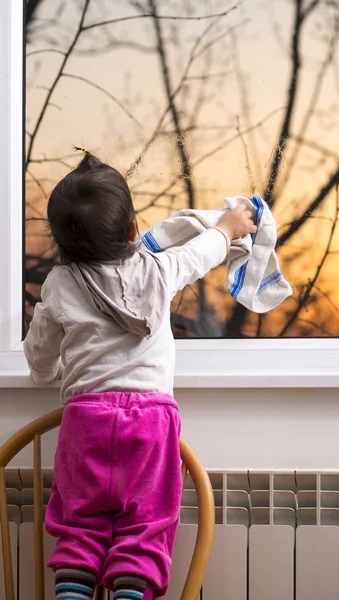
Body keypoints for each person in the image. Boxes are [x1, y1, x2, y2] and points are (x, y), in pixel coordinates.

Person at [24, 150, 257, 600]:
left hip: (86, 422)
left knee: (80, 527)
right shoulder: (158, 270)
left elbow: (39, 363)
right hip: (150, 424)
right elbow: (201, 252)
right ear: (133, 230)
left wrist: (49, 369)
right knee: (145, 527)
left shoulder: (58, 283)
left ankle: (73, 591)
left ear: (61, 243)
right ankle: (132, 590)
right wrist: (228, 227)